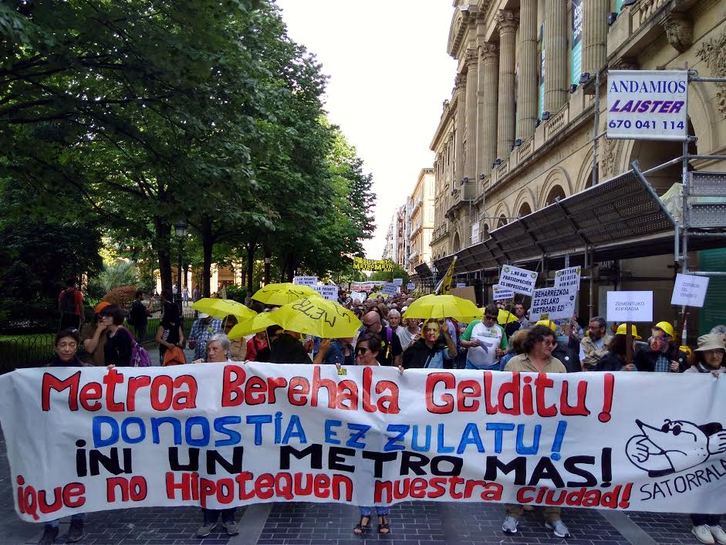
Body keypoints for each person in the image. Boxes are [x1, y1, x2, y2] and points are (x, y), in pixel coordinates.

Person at [502, 325, 571, 538]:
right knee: (519, 471)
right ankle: (513, 513)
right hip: (521, 429)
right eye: (547, 342)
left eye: (554, 343)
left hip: (551, 430)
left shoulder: (558, 366)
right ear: (534, 342)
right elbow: (501, 393)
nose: (552, 346)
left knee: (553, 471)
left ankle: (553, 516)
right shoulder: (514, 363)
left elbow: (568, 394)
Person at [38, 329, 87, 544]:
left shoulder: (87, 372)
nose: (67, 349)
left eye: (71, 345)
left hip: (78, 437)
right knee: (51, 479)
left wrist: (109, 374)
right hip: (53, 435)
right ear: (56, 347)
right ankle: (51, 526)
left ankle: (77, 523)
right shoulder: (42, 373)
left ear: (77, 347)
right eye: (63, 345)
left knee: (78, 479)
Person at [194, 333, 239, 537]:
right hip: (207, 433)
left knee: (229, 474)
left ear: (226, 351)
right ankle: (209, 519)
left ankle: (229, 518)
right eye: (209, 349)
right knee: (208, 473)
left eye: (215, 349)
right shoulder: (200, 368)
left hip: (231, 434)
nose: (211, 353)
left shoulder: (238, 370)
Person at [685, 333, 725, 545]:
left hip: (721, 439)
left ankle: (715, 522)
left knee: (719, 481)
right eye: (711, 351)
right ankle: (699, 522)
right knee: (699, 480)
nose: (715, 355)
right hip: (698, 439)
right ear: (702, 354)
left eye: (719, 351)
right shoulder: (690, 374)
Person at [351, 335, 391, 536]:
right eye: (357, 350)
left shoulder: (388, 373)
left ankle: (383, 513)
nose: (358, 355)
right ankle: (365, 513)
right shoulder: (350, 371)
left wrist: (403, 376)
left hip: (382, 434)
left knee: (383, 474)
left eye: (363, 351)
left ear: (375, 353)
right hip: (360, 434)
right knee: (363, 475)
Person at [460, 304, 508, 370]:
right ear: (484, 315)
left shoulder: (500, 329)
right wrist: (470, 343)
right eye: (488, 317)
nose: (490, 320)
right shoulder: (474, 324)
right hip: (472, 365)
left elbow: (506, 349)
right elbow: (462, 341)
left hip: (493, 366)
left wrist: (502, 352)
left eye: (494, 319)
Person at [155, 290, 184, 364]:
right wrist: (167, 344)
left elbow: (181, 336)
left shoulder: (177, 324)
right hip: (165, 349)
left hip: (176, 349)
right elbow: (158, 338)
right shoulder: (164, 324)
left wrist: (180, 342)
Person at [80, 301, 111, 365]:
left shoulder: (114, 327)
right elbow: (90, 349)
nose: (105, 318)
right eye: (102, 315)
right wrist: (99, 330)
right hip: (93, 365)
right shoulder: (87, 327)